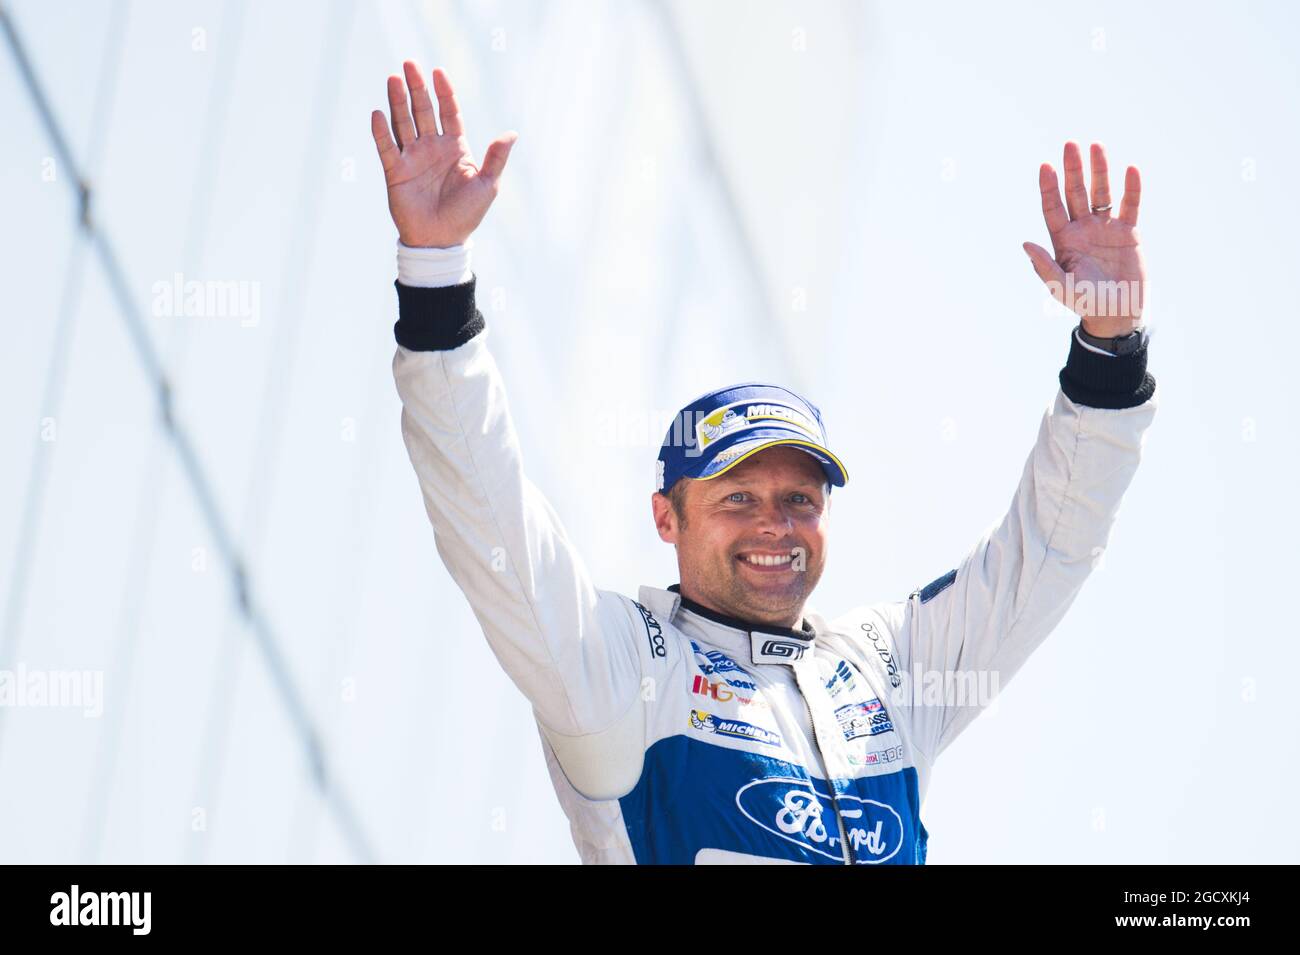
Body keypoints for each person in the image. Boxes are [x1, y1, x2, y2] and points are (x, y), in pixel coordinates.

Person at [371, 61, 1156, 865]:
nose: (776, 523)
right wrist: (435, 274)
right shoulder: (622, 669)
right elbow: (486, 519)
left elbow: (1046, 552)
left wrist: (1108, 348)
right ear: (666, 517)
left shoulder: (887, 669)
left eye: (799, 499)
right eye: (738, 498)